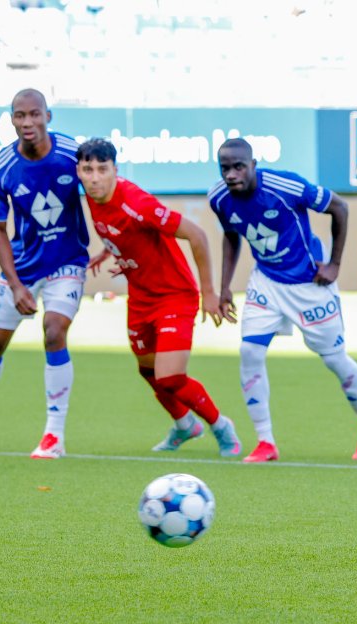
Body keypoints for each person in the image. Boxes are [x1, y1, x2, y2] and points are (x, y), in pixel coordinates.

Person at [210, 137, 357, 463]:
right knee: (249, 351)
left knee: (335, 360)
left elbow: (340, 207)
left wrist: (334, 264)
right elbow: (231, 236)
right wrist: (224, 288)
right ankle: (265, 441)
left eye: (238, 167)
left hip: (309, 283)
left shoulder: (285, 186)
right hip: (266, 283)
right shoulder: (218, 198)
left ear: (253, 166)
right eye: (225, 168)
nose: (231, 174)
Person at [75, 137, 243, 458]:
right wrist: (108, 252)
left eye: (101, 169)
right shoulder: (92, 197)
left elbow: (197, 235)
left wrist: (209, 292)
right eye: (87, 169)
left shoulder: (138, 204)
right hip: (140, 297)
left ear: (115, 170)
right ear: (79, 172)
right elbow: (120, 230)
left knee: (171, 377)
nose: (94, 177)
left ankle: (221, 425)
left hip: (174, 296)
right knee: (148, 372)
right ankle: (184, 425)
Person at [0, 88, 90, 459]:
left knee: (54, 331)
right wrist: (15, 285)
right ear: (11, 119)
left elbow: (101, 192)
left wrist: (111, 243)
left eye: (35, 114)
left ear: (49, 116)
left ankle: (53, 435)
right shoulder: (0, 168)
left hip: (68, 262)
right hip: (24, 266)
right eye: (19, 116)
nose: (28, 122)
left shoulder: (71, 155)